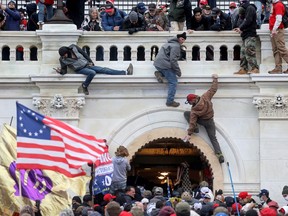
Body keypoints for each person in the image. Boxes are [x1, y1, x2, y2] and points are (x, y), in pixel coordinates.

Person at [56, 44, 133, 95]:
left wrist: (91, 62)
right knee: (92, 73)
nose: (64, 56)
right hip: (79, 69)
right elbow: (64, 70)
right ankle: (85, 85)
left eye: (64, 54)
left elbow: (84, 54)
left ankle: (125, 72)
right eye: (63, 55)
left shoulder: (74, 47)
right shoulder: (62, 59)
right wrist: (60, 72)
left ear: (67, 51)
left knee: (104, 69)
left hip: (87, 64)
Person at [183, 74, 224, 163]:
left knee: (186, 113)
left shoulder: (194, 110)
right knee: (213, 138)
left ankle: (196, 129)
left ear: (193, 100)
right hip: (210, 121)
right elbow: (213, 89)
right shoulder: (205, 97)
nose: (190, 103)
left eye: (190, 102)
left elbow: (192, 122)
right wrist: (215, 79)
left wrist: (189, 133)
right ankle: (219, 155)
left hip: (202, 121)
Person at [154, 32, 186, 107]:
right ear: (178, 38)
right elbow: (173, 60)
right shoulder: (176, 46)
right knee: (173, 82)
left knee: (169, 73)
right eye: (182, 39)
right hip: (164, 64)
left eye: (184, 39)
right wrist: (178, 71)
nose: (183, 41)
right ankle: (170, 101)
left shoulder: (170, 43)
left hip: (158, 64)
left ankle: (159, 73)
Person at [233, 0, 259, 75]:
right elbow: (242, 20)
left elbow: (248, 20)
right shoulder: (245, 8)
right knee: (243, 52)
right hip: (245, 34)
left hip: (250, 34)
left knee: (249, 51)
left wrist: (240, 28)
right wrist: (239, 27)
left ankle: (255, 68)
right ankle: (243, 68)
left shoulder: (250, 8)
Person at [268, 0, 288, 74]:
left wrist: (274, 29)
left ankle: (278, 68)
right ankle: (278, 68)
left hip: (277, 30)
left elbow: (279, 19)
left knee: (281, 49)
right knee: (276, 49)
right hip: (275, 29)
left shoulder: (278, 5)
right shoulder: (274, 4)